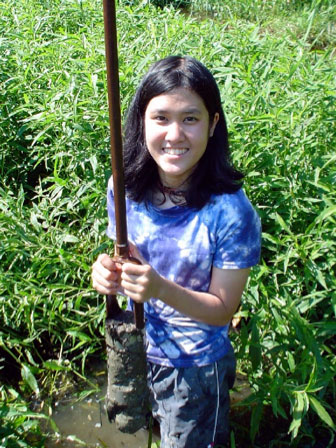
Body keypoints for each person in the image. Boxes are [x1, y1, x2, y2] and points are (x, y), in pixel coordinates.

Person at [91, 55, 261, 448]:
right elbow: (126, 258)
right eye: (161, 118)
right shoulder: (125, 189)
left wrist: (160, 289)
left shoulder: (231, 212)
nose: (174, 134)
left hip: (197, 369)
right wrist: (107, 272)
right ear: (141, 122)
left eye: (190, 118)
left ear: (213, 124)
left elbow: (223, 309)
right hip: (139, 348)